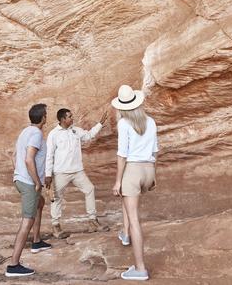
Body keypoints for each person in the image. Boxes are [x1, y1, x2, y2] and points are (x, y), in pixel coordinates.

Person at [111, 85, 158, 281]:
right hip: (148, 169)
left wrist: (117, 181)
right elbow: (155, 151)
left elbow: (122, 155)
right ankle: (125, 233)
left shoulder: (124, 124)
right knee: (127, 201)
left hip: (133, 170)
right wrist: (153, 174)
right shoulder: (150, 121)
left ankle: (140, 269)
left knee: (135, 218)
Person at [44, 108, 110, 238]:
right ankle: (56, 226)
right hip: (61, 172)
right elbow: (49, 155)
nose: (72, 118)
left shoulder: (75, 130)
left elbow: (89, 135)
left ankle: (92, 221)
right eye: (69, 117)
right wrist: (48, 175)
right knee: (57, 197)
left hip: (77, 171)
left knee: (89, 189)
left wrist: (100, 124)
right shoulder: (54, 134)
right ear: (62, 119)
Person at [5, 103, 52, 277]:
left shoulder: (25, 132)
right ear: (44, 118)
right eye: (46, 114)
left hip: (21, 179)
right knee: (27, 221)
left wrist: (18, 174)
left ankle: (37, 241)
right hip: (29, 183)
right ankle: (13, 265)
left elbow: (14, 156)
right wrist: (36, 182)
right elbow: (28, 159)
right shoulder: (36, 134)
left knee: (40, 203)